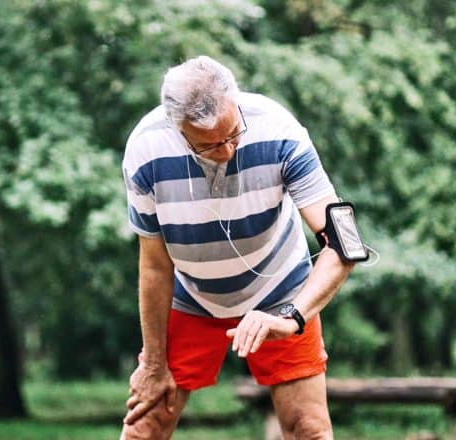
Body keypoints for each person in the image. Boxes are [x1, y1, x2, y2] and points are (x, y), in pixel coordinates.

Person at [120, 55, 359, 439]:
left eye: (234, 134)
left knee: (309, 429)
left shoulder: (279, 130)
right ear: (177, 129)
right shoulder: (146, 149)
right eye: (209, 145)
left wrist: (292, 316)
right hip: (191, 293)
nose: (228, 151)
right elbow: (154, 266)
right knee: (144, 425)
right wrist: (152, 363)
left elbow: (345, 244)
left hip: (281, 289)